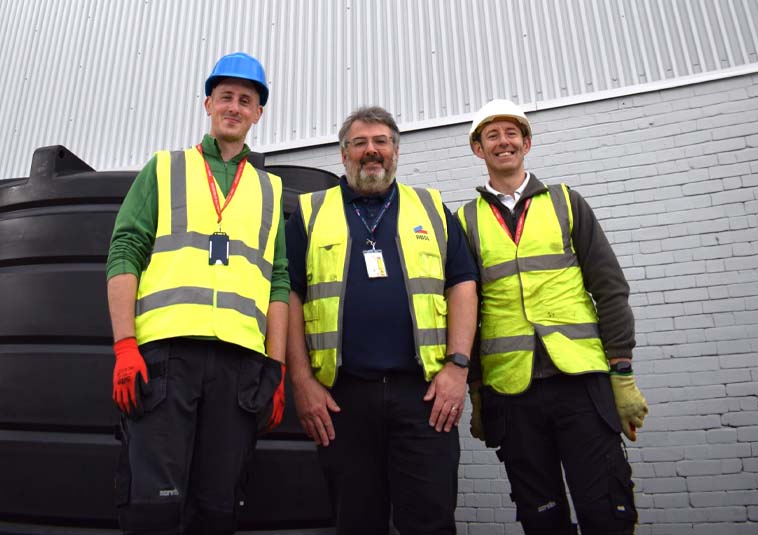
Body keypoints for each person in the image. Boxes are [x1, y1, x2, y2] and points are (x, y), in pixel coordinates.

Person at [106, 52, 289, 535]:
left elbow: (280, 282)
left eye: (245, 100)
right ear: (208, 103)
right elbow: (124, 251)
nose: (234, 106)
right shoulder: (164, 168)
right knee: (154, 509)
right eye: (225, 96)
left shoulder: (271, 189)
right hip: (166, 361)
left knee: (218, 509)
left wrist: (277, 367)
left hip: (239, 368)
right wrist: (125, 345)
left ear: (258, 113)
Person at [284, 106, 478, 535]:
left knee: (430, 521)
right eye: (360, 143)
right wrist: (300, 382)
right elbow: (288, 295)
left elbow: (462, 284)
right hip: (341, 402)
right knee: (356, 522)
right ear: (343, 154)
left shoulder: (430, 208)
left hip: (424, 399)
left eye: (381, 142)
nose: (371, 151)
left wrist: (458, 367)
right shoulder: (311, 212)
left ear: (395, 151)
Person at [459, 99, 649, 535]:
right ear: (478, 149)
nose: (503, 142)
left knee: (606, 513)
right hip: (512, 392)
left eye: (512, 134)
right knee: (541, 519)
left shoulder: (566, 202)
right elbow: (466, 313)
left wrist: (621, 373)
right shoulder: (465, 221)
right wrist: (477, 392)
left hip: (581, 384)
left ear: (527, 143)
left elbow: (610, 288)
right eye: (492, 135)